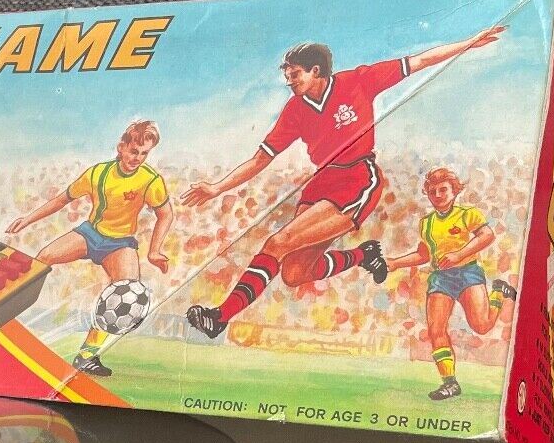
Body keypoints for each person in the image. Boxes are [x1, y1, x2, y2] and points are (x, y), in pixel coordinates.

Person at [180, 28, 503, 337]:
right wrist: (217, 188)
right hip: (321, 183)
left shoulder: (358, 81)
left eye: (294, 74)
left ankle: (219, 317)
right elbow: (260, 159)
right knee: (294, 274)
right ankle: (362, 255)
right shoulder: (294, 110)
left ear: (315, 70)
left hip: (357, 178)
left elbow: (418, 62)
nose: (289, 81)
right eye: (287, 75)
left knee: (278, 243)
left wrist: (467, 43)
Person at [7, 120, 174, 377]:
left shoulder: (151, 180)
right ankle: (5, 315)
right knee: (42, 258)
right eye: (133, 151)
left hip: (120, 244)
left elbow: (165, 215)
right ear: (121, 147)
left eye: (144, 154)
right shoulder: (97, 173)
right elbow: (62, 199)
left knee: (126, 292)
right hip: (90, 234)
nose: (137, 158)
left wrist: (154, 250)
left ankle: (86, 356)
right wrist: (28, 219)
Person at [383, 167, 514, 400]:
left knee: (481, 326)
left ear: (454, 190)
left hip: (467, 272)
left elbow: (487, 236)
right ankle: (450, 383)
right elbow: (424, 254)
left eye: (443, 190)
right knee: (436, 329)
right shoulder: (427, 223)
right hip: (441, 278)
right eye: (432, 191)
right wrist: (395, 262)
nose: (438, 195)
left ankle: (498, 293)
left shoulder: (467, 214)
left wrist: (459, 254)